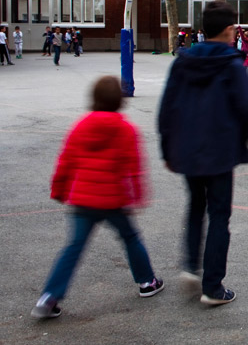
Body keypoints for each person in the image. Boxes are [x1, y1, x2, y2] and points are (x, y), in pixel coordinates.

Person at [31, 76, 163, 319]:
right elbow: (134, 167)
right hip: (113, 199)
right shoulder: (126, 129)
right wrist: (138, 197)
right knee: (131, 237)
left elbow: (65, 161)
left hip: (82, 199)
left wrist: (58, 190)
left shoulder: (80, 126)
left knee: (73, 247)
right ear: (119, 101)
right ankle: (147, 282)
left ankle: (49, 296)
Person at [158, 1, 248, 306]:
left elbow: (167, 107)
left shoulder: (182, 62)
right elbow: (246, 105)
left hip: (188, 148)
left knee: (195, 207)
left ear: (202, 30)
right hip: (220, 149)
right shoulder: (231, 64)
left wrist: (167, 146)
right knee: (219, 215)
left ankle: (191, 266)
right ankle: (212, 286)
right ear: (229, 30)